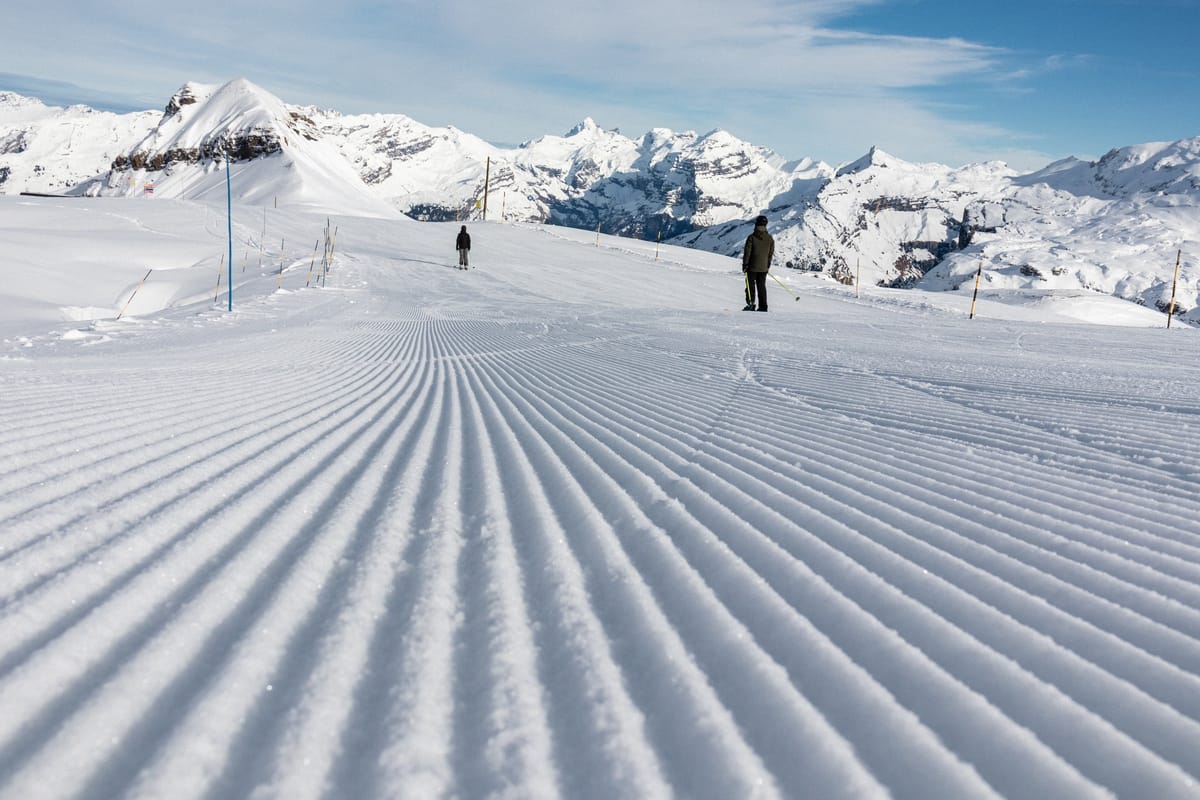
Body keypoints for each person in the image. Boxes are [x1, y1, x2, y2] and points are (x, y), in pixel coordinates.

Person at [742, 214, 774, 311]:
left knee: (750, 286)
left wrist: (745, 265)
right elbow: (770, 253)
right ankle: (763, 306)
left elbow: (747, 252)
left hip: (751, 267)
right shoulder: (770, 239)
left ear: (756, 224)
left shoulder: (751, 237)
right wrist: (767, 265)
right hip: (763, 267)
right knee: (761, 287)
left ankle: (751, 304)